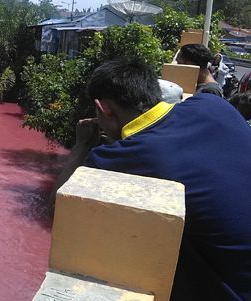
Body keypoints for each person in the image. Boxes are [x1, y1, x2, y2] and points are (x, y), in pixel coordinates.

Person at [49, 58, 251, 300]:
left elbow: (58, 210)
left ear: (104, 109)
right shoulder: (213, 104)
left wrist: (82, 145)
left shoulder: (120, 158)